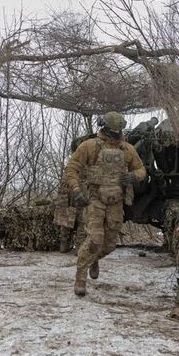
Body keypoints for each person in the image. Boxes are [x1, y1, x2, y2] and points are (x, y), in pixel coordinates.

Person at [63, 112, 146, 297]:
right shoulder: (90, 146)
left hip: (116, 201)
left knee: (109, 245)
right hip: (95, 199)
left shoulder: (127, 149)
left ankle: (93, 260)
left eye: (119, 130)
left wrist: (134, 176)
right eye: (113, 129)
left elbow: (141, 169)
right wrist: (76, 190)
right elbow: (72, 168)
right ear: (105, 128)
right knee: (95, 239)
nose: (116, 133)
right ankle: (80, 277)